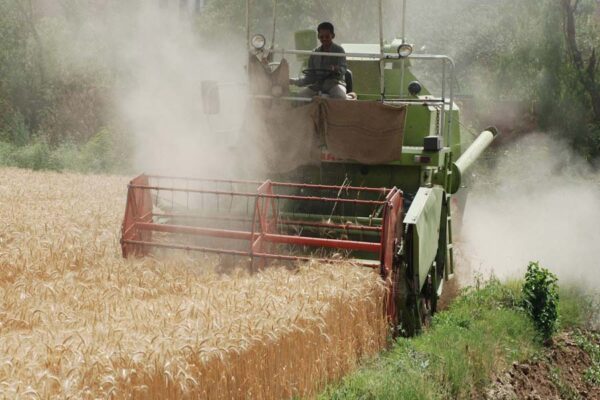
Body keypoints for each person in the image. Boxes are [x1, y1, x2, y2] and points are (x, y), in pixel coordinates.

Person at [290, 22, 347, 100]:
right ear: (318, 36)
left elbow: (343, 68)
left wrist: (336, 68)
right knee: (301, 97)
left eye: (327, 37)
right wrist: (294, 81)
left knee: (340, 97)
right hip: (318, 85)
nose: (324, 39)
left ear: (333, 36)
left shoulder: (339, 50)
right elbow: (310, 77)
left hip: (334, 84)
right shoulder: (314, 53)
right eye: (321, 37)